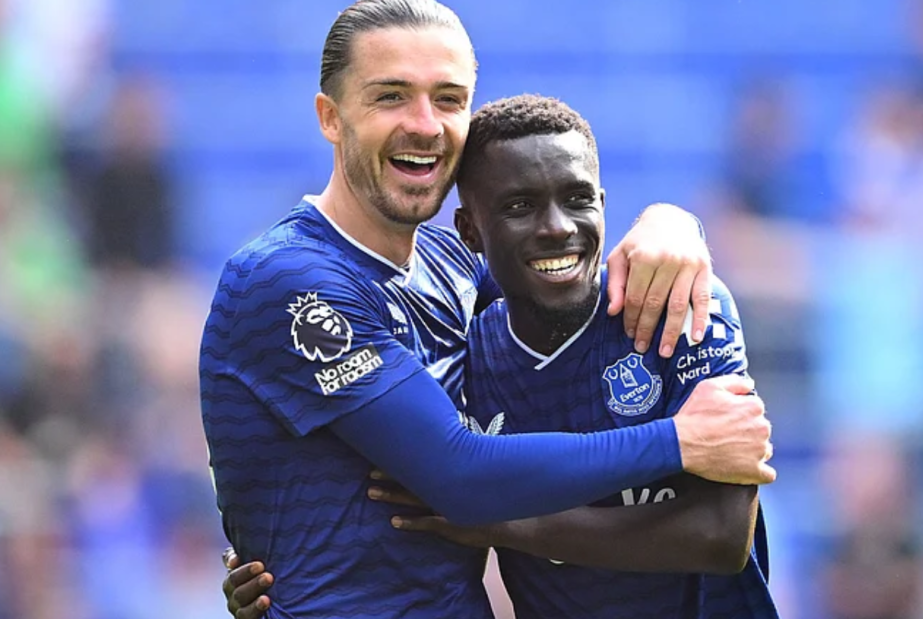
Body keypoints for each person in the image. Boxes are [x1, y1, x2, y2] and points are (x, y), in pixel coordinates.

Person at [201, 1, 775, 617]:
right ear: (330, 117)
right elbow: (460, 475)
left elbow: (559, 265)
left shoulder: (454, 268)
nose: (425, 124)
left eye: (448, 99)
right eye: (391, 96)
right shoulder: (288, 279)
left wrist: (674, 222)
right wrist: (681, 441)